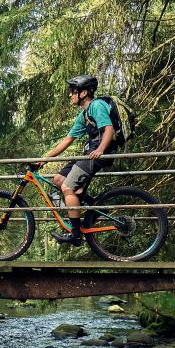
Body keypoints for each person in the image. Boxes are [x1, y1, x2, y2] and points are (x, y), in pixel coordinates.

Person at [38, 75, 114, 246]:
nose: (70, 95)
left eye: (73, 92)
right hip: (90, 152)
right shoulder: (84, 114)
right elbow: (66, 141)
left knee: (67, 188)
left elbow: (108, 129)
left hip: (99, 152)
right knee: (59, 179)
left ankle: (76, 234)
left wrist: (101, 150)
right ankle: (96, 207)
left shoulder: (97, 105)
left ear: (84, 92)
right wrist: (43, 160)